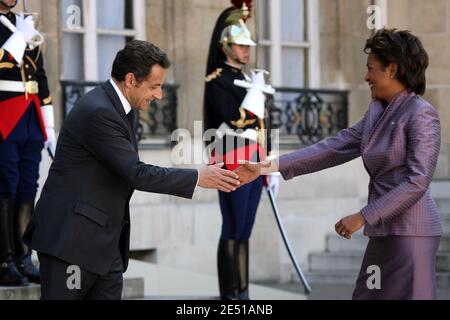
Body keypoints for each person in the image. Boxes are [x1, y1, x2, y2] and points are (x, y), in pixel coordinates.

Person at [22, 40, 241, 300]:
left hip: (105, 247)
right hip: (71, 245)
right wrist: (197, 177)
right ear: (130, 80)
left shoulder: (122, 107)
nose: (159, 95)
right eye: (154, 86)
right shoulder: (99, 112)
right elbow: (135, 172)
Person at [236, 29, 442, 300]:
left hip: (410, 235)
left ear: (392, 69)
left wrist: (363, 216)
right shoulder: (377, 112)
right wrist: (266, 167)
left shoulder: (421, 114)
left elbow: (417, 182)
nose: (366, 77)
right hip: (384, 232)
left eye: (371, 69)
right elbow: (333, 147)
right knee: (367, 295)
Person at [203, 1, 278, 300]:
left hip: (255, 156)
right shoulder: (217, 80)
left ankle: (243, 291)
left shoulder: (250, 79)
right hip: (231, 152)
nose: (246, 51)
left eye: (248, 46)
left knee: (246, 226)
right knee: (233, 224)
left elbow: (262, 124)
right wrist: (256, 94)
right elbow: (235, 118)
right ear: (226, 47)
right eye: (240, 45)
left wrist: (270, 160)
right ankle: (230, 292)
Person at [0, 0, 56, 286]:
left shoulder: (22, 22)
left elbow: (40, 76)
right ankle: (4, 259)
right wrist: (19, 37)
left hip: (30, 115)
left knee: (27, 186)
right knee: (5, 186)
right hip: (3, 114)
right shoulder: (18, 29)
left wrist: (50, 124)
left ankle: (24, 256)